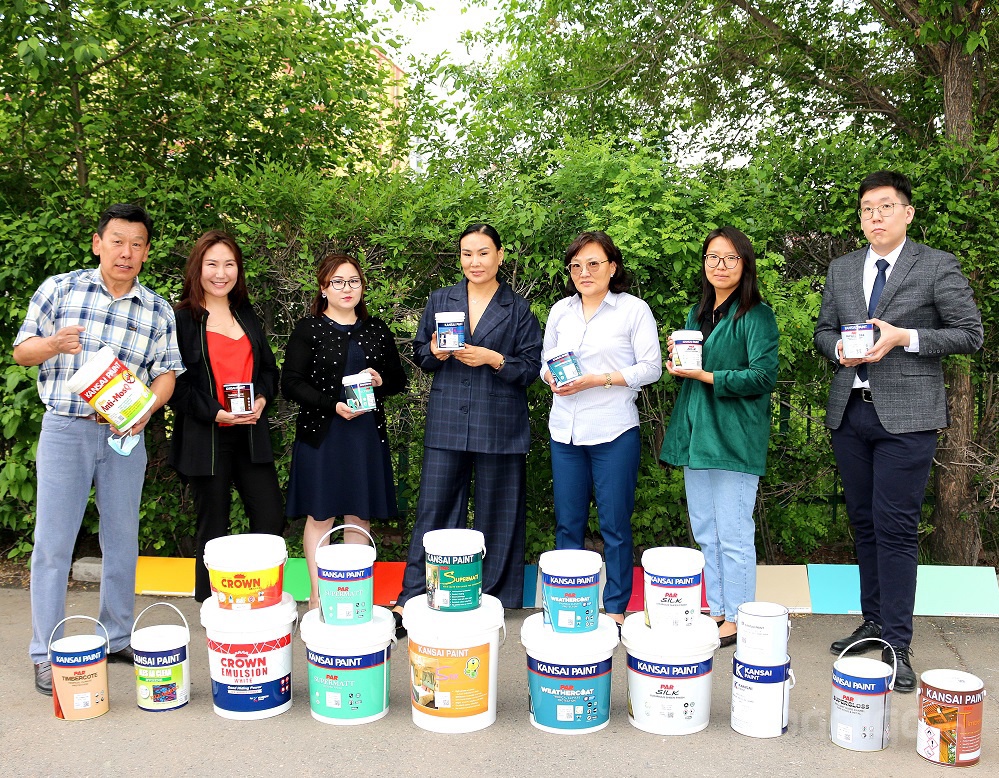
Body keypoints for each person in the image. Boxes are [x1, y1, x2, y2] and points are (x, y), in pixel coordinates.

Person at [814, 171, 983, 692]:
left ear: (907, 213)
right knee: (864, 524)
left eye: (885, 207)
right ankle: (872, 621)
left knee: (896, 528)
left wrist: (902, 337)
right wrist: (836, 349)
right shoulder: (843, 269)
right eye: (867, 208)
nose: (875, 216)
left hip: (908, 419)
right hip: (851, 412)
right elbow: (823, 331)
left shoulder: (935, 264)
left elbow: (969, 334)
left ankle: (897, 642)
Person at [13, 203, 184, 695]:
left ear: (146, 252)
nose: (126, 252)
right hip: (65, 429)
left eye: (136, 244)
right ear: (97, 243)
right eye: (117, 241)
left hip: (124, 434)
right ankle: (47, 652)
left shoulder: (157, 308)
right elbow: (22, 351)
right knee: (53, 543)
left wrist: (148, 407)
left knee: (122, 540)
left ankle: (116, 635)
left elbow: (167, 373)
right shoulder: (60, 289)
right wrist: (53, 344)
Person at [395, 223, 543, 624]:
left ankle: (491, 599)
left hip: (500, 423)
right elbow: (420, 355)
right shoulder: (441, 299)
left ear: (500, 256)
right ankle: (414, 596)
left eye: (483, 253)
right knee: (434, 511)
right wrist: (434, 351)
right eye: (467, 253)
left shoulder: (518, 308)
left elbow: (530, 368)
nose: (474, 261)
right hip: (448, 419)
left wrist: (493, 359)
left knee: (499, 513)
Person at [659, 227, 779, 647]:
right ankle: (720, 610)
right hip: (697, 437)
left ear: (745, 264)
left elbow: (763, 376)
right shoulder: (697, 315)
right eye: (712, 257)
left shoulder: (756, 315)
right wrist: (680, 365)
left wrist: (706, 375)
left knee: (734, 534)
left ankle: (742, 618)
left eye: (730, 258)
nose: (720, 266)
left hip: (733, 438)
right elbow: (692, 373)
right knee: (707, 532)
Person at [543, 231, 662, 629]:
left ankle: (614, 609)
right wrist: (550, 377)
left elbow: (651, 368)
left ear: (612, 267)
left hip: (614, 432)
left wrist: (599, 379)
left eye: (593, 263)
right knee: (568, 523)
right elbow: (545, 362)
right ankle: (567, 604)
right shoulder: (561, 311)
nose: (584, 272)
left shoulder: (633, 310)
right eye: (576, 265)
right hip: (565, 432)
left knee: (614, 525)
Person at [282, 253, 407, 615]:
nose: (346, 288)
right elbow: (290, 383)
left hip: (365, 437)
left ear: (362, 287)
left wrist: (381, 381)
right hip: (322, 435)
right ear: (323, 288)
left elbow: (398, 380)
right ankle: (318, 598)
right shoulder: (308, 329)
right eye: (337, 282)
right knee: (320, 517)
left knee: (359, 517)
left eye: (353, 281)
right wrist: (332, 404)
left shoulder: (376, 329)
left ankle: (352, 596)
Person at [168, 230, 284, 603]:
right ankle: (212, 606)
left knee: (270, 517)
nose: (221, 273)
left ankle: (261, 597)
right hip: (206, 438)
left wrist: (262, 398)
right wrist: (216, 412)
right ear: (197, 268)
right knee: (213, 527)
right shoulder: (182, 319)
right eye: (212, 264)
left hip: (250, 432)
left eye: (229, 264)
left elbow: (268, 370)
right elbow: (176, 386)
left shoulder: (244, 313)